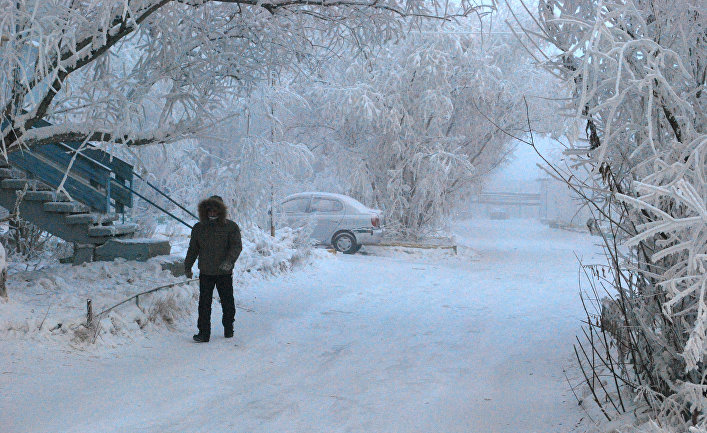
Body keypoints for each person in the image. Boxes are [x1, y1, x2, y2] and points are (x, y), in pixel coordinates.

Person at [185, 195, 242, 343]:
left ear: (221, 211)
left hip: (224, 272)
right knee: (204, 303)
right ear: (205, 211)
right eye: (209, 210)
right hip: (206, 272)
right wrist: (187, 266)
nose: (212, 213)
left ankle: (228, 326)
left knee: (227, 301)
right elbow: (193, 249)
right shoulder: (199, 228)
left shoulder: (231, 227)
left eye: (215, 210)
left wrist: (229, 261)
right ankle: (204, 333)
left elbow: (236, 246)